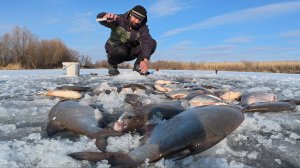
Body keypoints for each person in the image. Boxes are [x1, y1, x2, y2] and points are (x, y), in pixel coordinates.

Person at [97, 5, 157, 76]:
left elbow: (147, 41)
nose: (137, 21)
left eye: (140, 20)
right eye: (135, 18)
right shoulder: (119, 19)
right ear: (131, 14)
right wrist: (105, 16)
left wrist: (146, 60)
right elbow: (100, 19)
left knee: (152, 43)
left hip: (130, 51)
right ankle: (112, 64)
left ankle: (138, 67)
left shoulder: (143, 28)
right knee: (120, 50)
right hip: (115, 49)